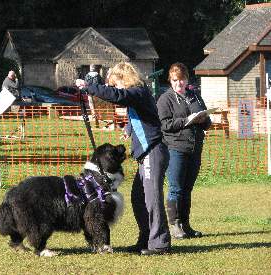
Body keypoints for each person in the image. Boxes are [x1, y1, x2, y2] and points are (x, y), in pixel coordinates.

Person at [76, 62, 171, 255]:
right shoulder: (138, 95)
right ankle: (145, 240)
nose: (115, 88)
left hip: (153, 152)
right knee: (139, 199)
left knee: (152, 200)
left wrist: (89, 87)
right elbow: (142, 115)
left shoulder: (138, 91)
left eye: (116, 83)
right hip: (146, 154)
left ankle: (160, 243)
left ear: (124, 78)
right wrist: (129, 129)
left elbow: (120, 97)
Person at [156, 62, 212, 239]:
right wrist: (186, 120)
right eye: (175, 80)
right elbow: (164, 125)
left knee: (187, 188)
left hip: (195, 148)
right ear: (170, 81)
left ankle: (186, 225)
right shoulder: (165, 99)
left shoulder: (195, 96)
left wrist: (204, 119)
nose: (178, 83)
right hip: (175, 148)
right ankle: (175, 225)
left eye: (181, 80)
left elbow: (207, 123)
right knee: (176, 188)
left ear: (187, 79)